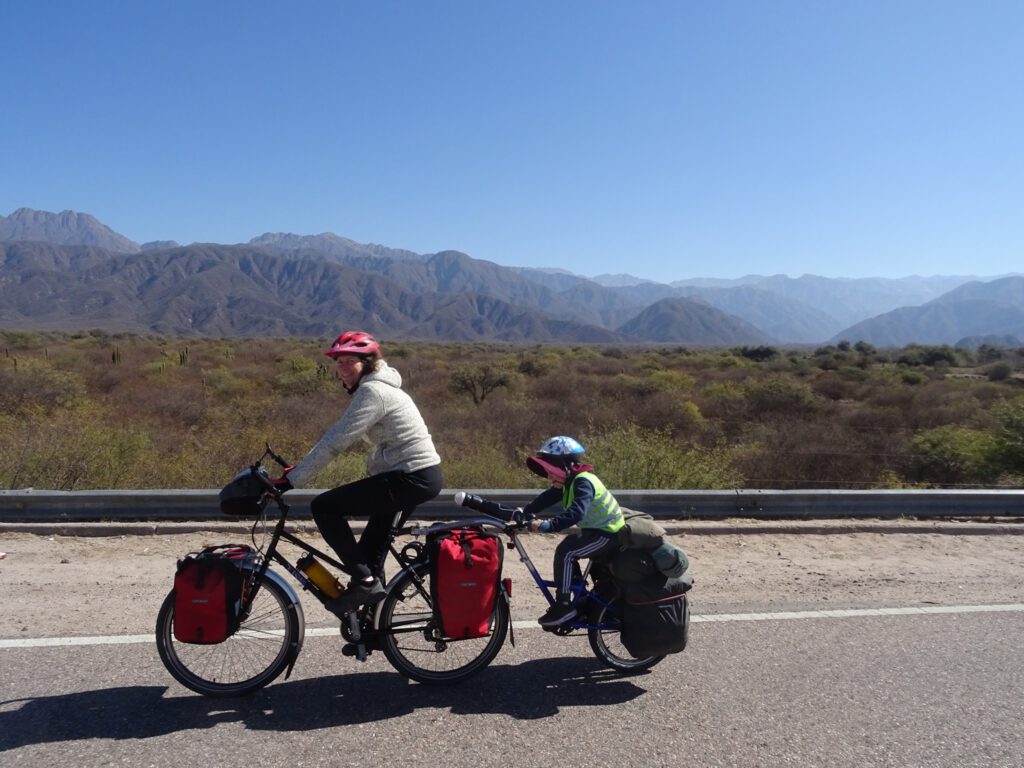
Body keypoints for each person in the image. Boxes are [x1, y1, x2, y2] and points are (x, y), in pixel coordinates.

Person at [277, 331, 443, 616]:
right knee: (367, 556)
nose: (342, 367)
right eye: (338, 361)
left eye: (349, 361)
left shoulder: (373, 392)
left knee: (325, 507)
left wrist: (290, 481)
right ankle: (372, 626)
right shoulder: (377, 388)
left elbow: (335, 441)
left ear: (367, 363)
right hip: (413, 476)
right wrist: (297, 471)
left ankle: (366, 584)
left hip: (410, 478)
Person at [521, 436, 625, 627]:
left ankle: (564, 606)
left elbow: (576, 513)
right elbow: (547, 498)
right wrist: (525, 512)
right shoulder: (569, 481)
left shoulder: (582, 482)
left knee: (567, 551)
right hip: (596, 532)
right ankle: (578, 595)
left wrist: (547, 525)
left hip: (608, 535)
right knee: (570, 545)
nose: (549, 476)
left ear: (566, 465)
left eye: (551, 471)